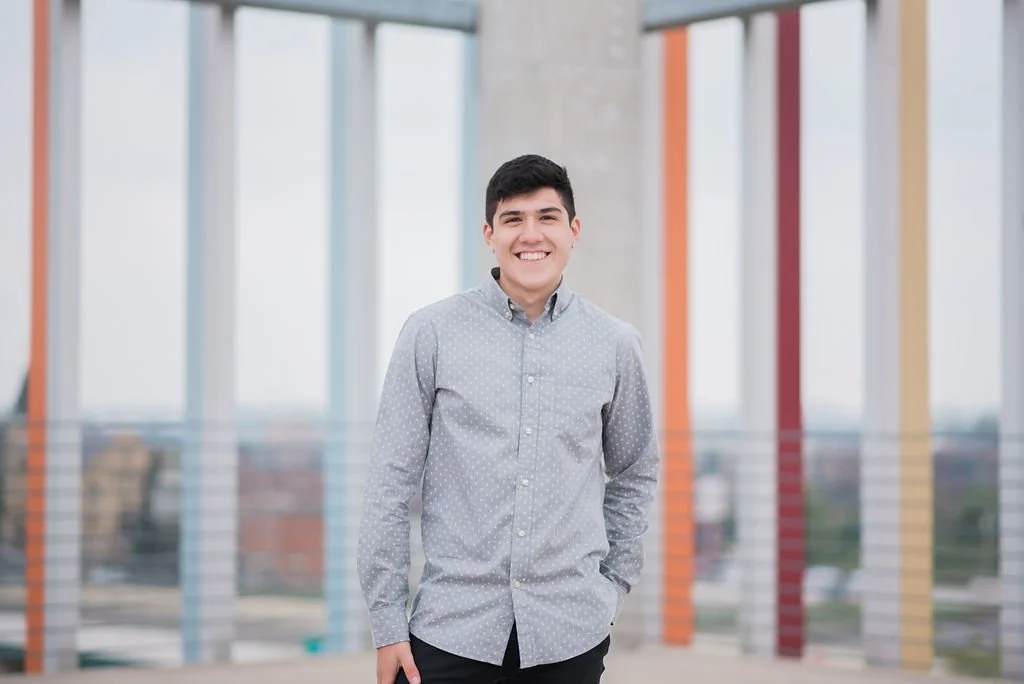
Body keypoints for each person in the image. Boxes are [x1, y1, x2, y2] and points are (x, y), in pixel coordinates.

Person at [356, 154, 660, 684]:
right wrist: (387, 625)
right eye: (513, 219)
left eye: (547, 217)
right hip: (450, 632)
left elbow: (635, 472)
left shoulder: (615, 345)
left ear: (574, 231)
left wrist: (611, 589)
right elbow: (389, 482)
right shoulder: (430, 333)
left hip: (570, 634)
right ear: (489, 233)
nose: (531, 234)